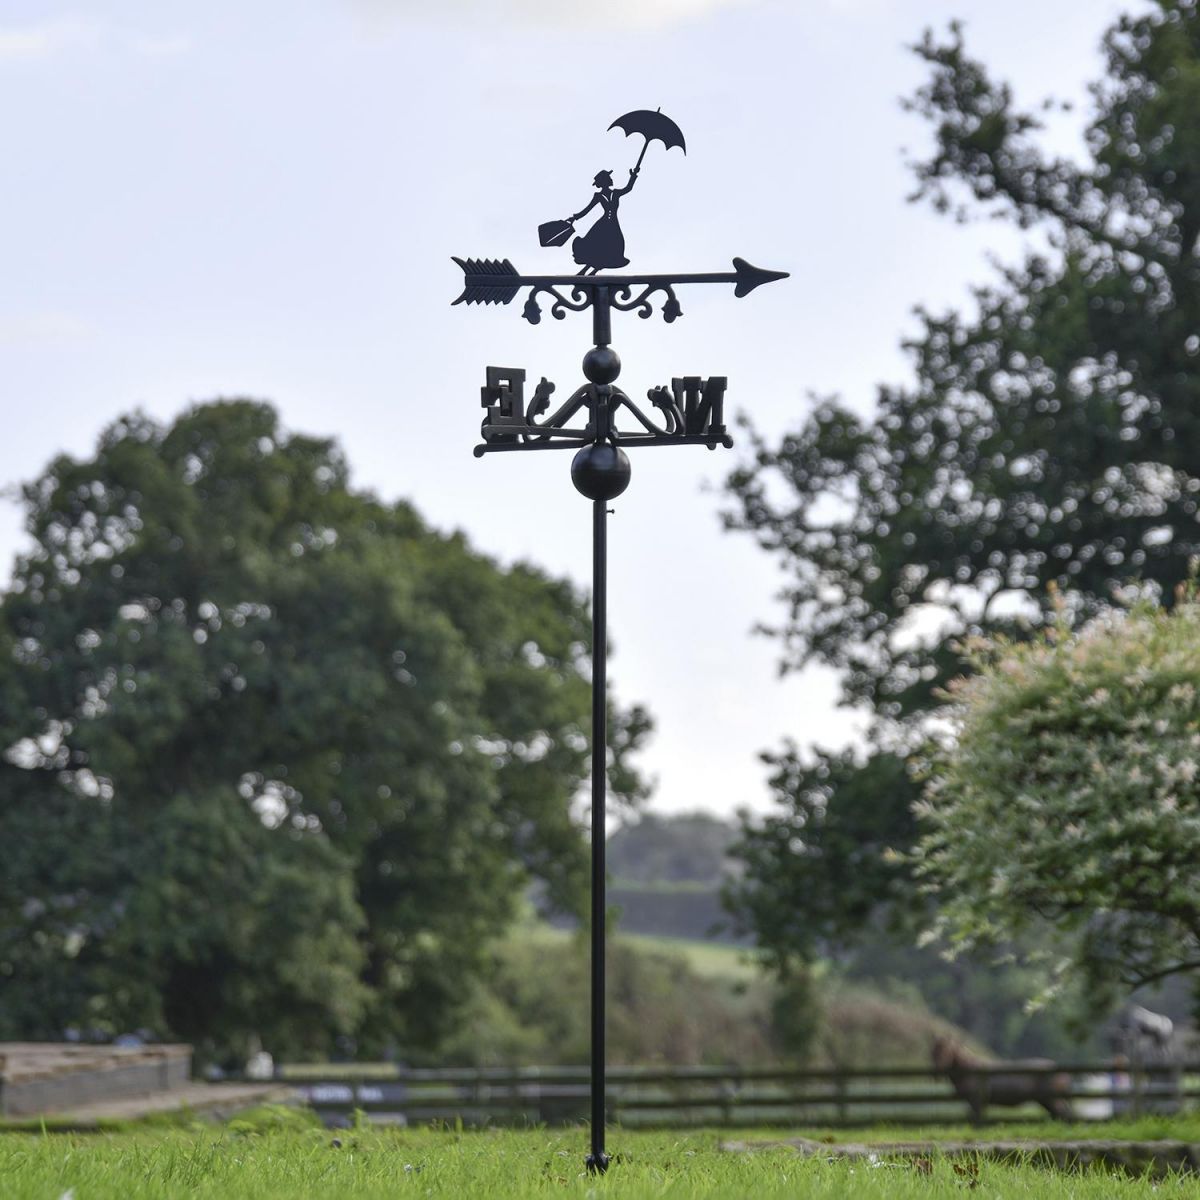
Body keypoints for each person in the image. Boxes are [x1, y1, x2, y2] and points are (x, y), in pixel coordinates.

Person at [568, 168, 638, 274]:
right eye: (608, 177)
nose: (611, 179)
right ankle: (585, 270)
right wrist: (574, 217)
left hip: (613, 225)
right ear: (604, 181)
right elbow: (587, 209)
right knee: (596, 247)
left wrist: (633, 176)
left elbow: (628, 188)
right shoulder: (598, 196)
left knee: (610, 247)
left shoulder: (616, 193)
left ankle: (594, 271)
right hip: (603, 225)